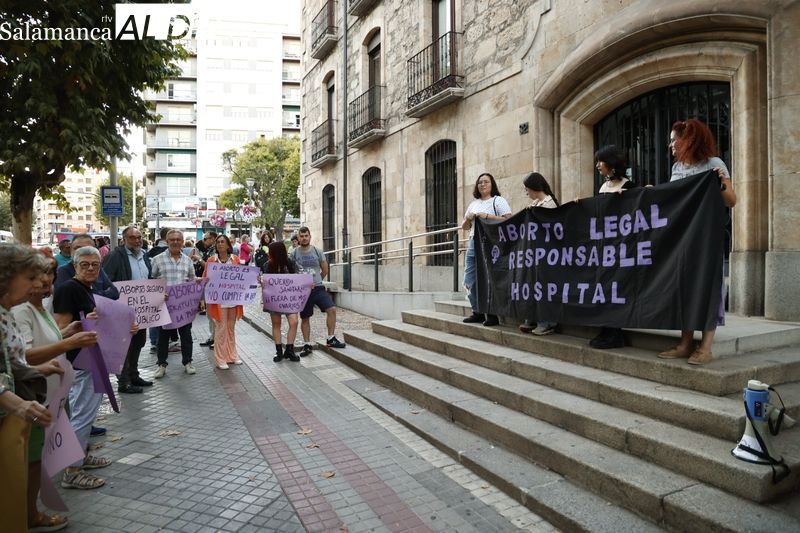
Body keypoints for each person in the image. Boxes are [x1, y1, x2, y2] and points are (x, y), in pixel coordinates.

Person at [12, 252, 97, 532]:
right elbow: (23, 356)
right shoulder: (19, 311)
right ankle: (27, 514)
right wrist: (67, 343)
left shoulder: (39, 308)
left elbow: (46, 339)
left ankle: (29, 512)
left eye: (49, 275)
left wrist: (66, 333)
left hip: (51, 395)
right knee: (32, 463)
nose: (46, 282)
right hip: (32, 398)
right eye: (36, 277)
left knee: (38, 461)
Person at [658, 119, 736, 365]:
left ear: (689, 139)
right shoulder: (678, 168)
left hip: (707, 237)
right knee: (686, 288)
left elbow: (731, 200)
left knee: (708, 287)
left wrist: (719, 182)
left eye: (674, 139)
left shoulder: (714, 164)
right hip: (684, 238)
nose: (671, 144)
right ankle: (685, 343)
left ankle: (706, 347)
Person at [53, 246, 122, 489]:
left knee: (87, 413)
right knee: (82, 415)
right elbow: (58, 332)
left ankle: (81, 455)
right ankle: (72, 471)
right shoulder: (68, 289)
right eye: (85, 264)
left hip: (92, 358)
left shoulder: (86, 288)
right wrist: (81, 326)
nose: (91, 268)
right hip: (80, 361)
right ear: (75, 266)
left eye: (95, 264)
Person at [0, 244, 55, 533]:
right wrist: (17, 403)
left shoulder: (6, 312)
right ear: (6, 276)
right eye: (29, 277)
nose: (37, 284)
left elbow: (10, 362)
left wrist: (32, 371)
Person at [588, 145, 637, 349]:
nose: (598, 165)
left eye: (601, 161)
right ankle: (606, 328)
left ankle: (615, 331)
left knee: (616, 288)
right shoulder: (603, 187)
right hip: (603, 246)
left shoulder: (629, 185)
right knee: (603, 287)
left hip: (621, 247)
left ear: (611, 163)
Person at [102, 226, 154, 393]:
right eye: (132, 238)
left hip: (141, 310)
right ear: (124, 239)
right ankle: (123, 382)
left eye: (139, 237)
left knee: (139, 342)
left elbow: (149, 279)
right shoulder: (115, 256)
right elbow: (105, 281)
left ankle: (134, 375)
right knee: (124, 345)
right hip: (122, 311)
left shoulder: (145, 256)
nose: (137, 240)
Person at [461, 173, 513, 326]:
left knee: (489, 278)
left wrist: (486, 215)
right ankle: (477, 311)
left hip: (491, 244)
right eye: (480, 182)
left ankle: (491, 314)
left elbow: (508, 219)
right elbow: (464, 227)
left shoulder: (498, 201)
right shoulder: (473, 204)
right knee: (469, 279)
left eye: (486, 182)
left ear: (492, 184)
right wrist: (469, 218)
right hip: (473, 243)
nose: (482, 184)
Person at [290, 226, 346, 354]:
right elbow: (291, 273)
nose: (304, 238)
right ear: (298, 238)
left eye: (306, 236)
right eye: (301, 236)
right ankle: (307, 344)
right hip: (303, 291)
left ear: (310, 236)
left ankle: (331, 338)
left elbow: (325, 269)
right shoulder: (294, 254)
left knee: (331, 309)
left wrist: (316, 281)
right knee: (305, 317)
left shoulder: (317, 251)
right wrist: (303, 284)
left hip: (318, 288)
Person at [151, 230, 199, 378]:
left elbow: (191, 279)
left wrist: (199, 282)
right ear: (167, 241)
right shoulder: (157, 260)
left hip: (183, 306)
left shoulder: (187, 260)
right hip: (165, 305)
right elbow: (151, 280)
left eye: (178, 239)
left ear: (183, 241)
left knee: (186, 335)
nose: (175, 242)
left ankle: (187, 362)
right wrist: (158, 294)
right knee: (163, 336)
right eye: (172, 239)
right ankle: (161, 364)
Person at [517, 172, 560, 335]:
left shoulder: (549, 204)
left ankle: (547, 322)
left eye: (527, 188)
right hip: (535, 253)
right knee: (533, 285)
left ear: (533, 188)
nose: (526, 192)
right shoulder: (536, 203)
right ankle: (532, 317)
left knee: (543, 286)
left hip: (547, 253)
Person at [202, 235, 243, 369]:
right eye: (218, 242)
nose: (220, 244)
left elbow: (243, 278)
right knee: (221, 329)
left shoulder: (235, 260)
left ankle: (232, 354)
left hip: (233, 300)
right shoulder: (211, 260)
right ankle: (220, 358)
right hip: (218, 301)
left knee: (231, 328)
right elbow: (204, 278)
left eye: (222, 242)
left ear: (227, 245)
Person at [262, 241, 300, 362]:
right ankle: (279, 351)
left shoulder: (290, 263)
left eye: (270, 251)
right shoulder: (268, 265)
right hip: (274, 299)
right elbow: (265, 282)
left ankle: (289, 349)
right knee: (276, 324)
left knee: (294, 322)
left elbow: (298, 278)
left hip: (289, 298)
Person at [54, 233, 120, 301]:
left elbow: (114, 293)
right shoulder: (62, 272)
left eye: (87, 249)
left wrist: (90, 295)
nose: (82, 252)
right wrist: (102, 294)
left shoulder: (98, 269)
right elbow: (69, 299)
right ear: (71, 249)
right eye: (77, 248)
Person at [192, 231, 217, 346]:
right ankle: (213, 336)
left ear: (212, 239)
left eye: (206, 239)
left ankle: (216, 337)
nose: (204, 241)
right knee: (209, 313)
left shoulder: (214, 252)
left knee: (214, 313)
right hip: (203, 282)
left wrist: (199, 259)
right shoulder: (206, 250)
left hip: (212, 284)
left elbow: (210, 267)